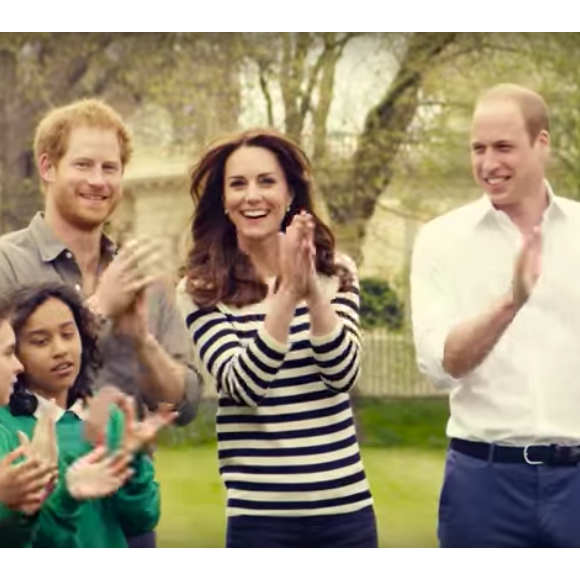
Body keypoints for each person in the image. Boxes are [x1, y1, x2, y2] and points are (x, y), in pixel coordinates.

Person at [0, 97, 203, 547]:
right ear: (48, 167)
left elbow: (183, 403)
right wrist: (98, 306)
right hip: (37, 510)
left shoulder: (143, 273)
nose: (98, 181)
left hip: (128, 508)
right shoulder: (6, 263)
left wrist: (142, 341)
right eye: (84, 164)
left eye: (110, 168)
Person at [176, 127, 377, 548]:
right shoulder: (201, 289)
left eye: (266, 181)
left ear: (290, 194)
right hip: (260, 521)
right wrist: (288, 295)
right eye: (238, 184)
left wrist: (311, 292)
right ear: (223, 202)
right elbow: (243, 386)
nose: (253, 196)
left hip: (346, 513)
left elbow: (342, 373)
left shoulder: (336, 270)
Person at [410, 82, 580, 548]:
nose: (488, 164)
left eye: (503, 147)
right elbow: (442, 367)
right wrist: (511, 302)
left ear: (541, 143)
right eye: (478, 148)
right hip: (483, 486)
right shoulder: (440, 239)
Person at [0, 282, 172, 547]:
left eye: (68, 334)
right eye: (40, 341)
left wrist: (134, 462)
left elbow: (142, 519)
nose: (60, 350)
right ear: (17, 352)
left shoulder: (108, 417)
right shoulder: (8, 426)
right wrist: (67, 495)